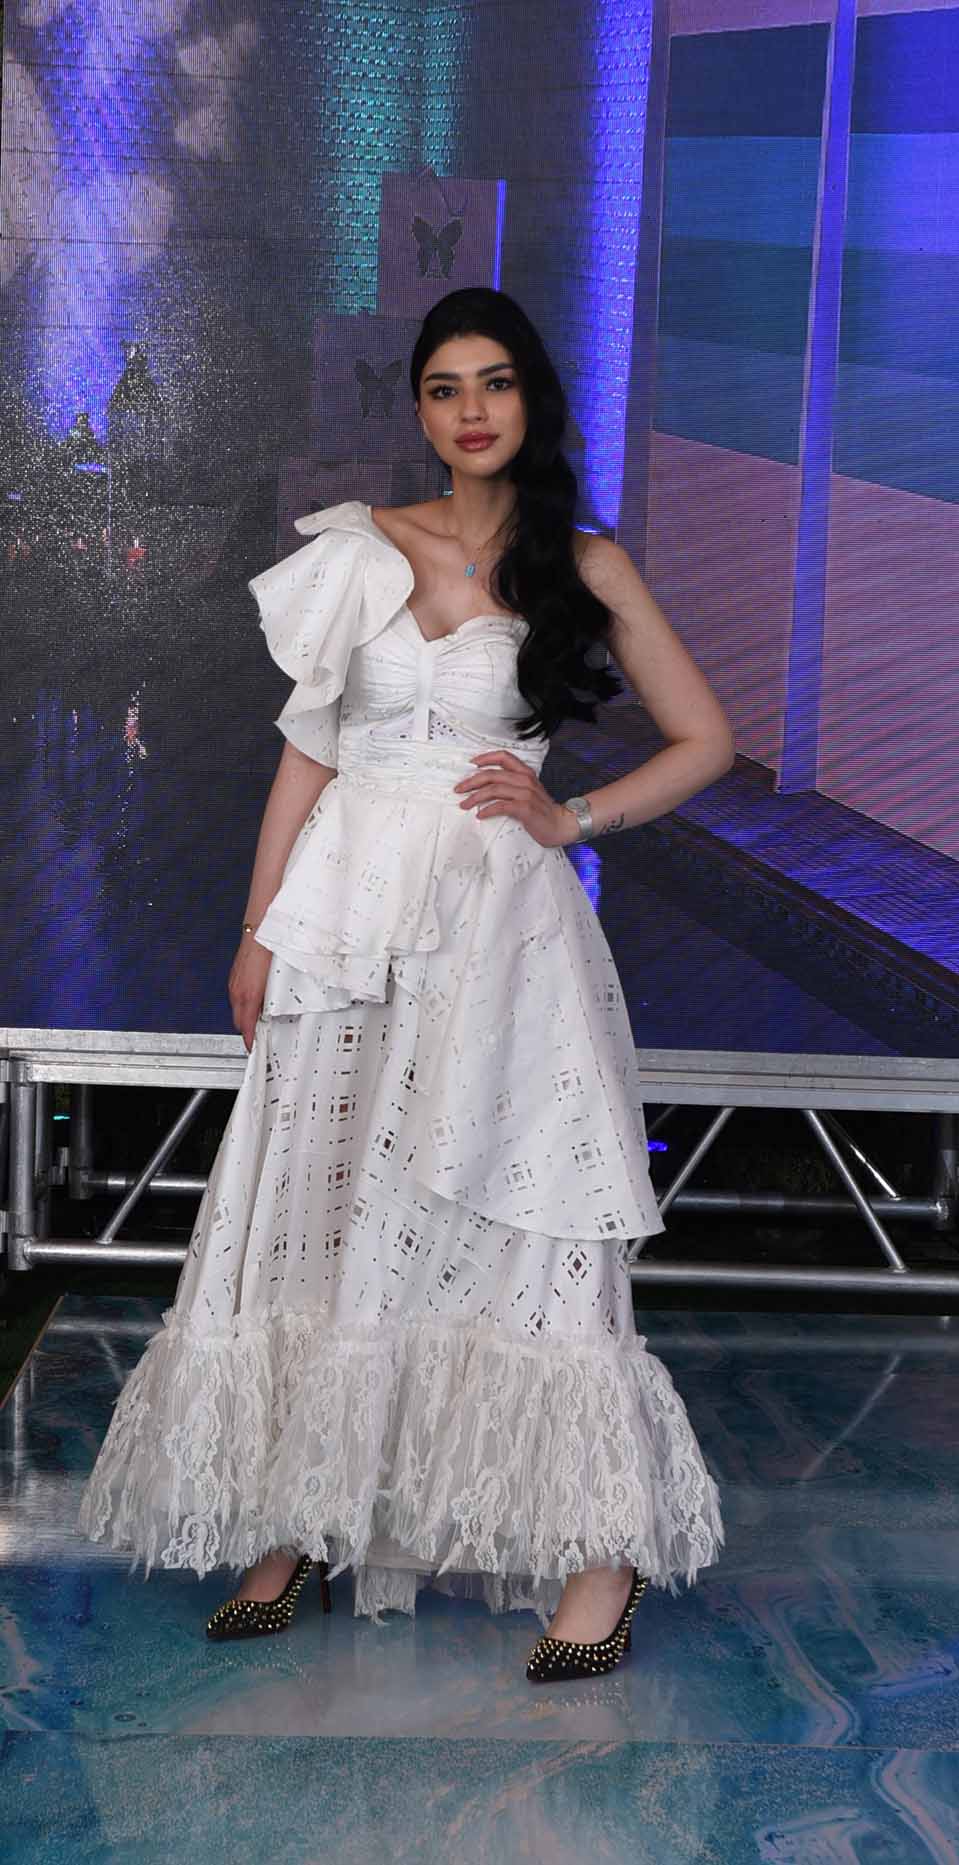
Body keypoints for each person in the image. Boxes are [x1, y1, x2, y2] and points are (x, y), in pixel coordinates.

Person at [78, 286, 731, 1683]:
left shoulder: (582, 564)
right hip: (341, 917)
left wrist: (573, 816)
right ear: (420, 411)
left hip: (499, 928)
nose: (471, 410)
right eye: (445, 387)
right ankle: (305, 1513)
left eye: (495, 382)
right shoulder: (358, 550)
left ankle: (597, 1553)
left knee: (518, 1206)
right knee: (324, 1203)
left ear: (532, 398)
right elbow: (307, 753)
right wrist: (258, 929)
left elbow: (705, 740)